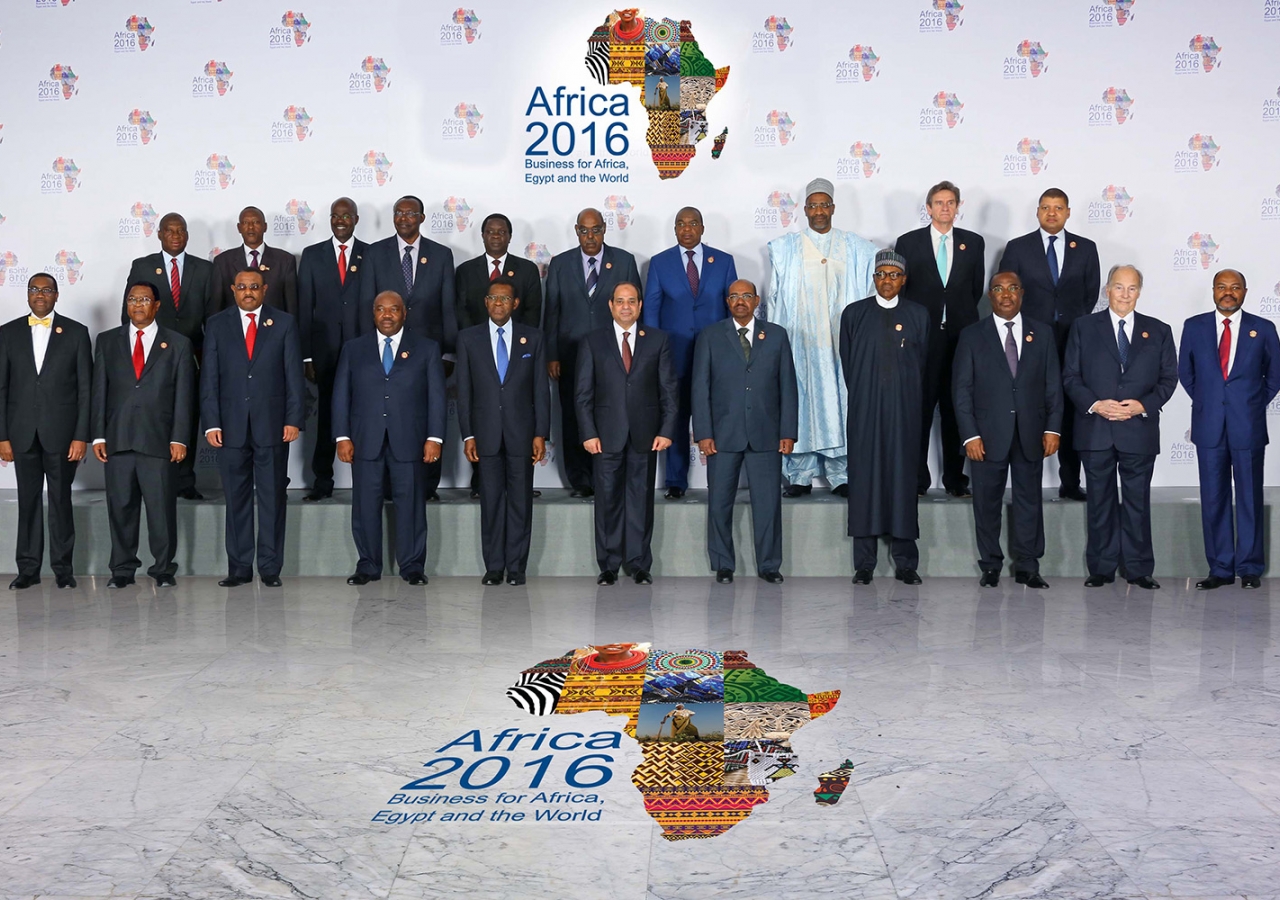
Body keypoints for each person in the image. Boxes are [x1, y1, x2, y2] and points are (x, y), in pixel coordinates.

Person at [1062, 265, 1178, 589]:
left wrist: (1144, 405)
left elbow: (1169, 378)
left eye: (1131, 288)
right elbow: (1070, 376)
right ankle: (1101, 568)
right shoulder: (1084, 328)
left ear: (1139, 292)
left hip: (1138, 430)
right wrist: (1096, 404)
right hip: (1096, 428)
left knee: (1137, 502)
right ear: (1107, 290)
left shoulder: (1159, 331)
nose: (1125, 295)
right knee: (1100, 501)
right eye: (1118, 287)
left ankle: (1139, 569)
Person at [767, 177, 877, 498]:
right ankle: (799, 475)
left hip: (841, 344)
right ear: (804, 210)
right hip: (800, 343)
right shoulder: (786, 248)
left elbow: (872, 292)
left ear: (832, 208)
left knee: (841, 400)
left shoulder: (856, 247)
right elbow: (775, 299)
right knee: (799, 401)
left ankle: (841, 473)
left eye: (824, 205)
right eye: (812, 205)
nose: (818, 211)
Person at [952, 272, 1062, 588]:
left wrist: (1053, 429)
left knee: (1029, 502)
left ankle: (1028, 566)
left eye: (1012, 288)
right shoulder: (972, 336)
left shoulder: (1042, 334)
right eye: (999, 289)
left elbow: (1053, 385)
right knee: (986, 503)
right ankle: (990, 565)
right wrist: (970, 435)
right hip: (985, 437)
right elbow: (961, 390)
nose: (1006, 294)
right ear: (990, 295)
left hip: (1031, 433)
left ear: (1022, 293)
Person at [333, 291, 445, 585]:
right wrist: (342, 436)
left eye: (393, 309)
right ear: (373, 313)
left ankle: (412, 566)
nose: (386, 315)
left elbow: (436, 397)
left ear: (404, 313)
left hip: (409, 439)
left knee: (411, 505)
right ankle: (368, 565)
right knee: (365, 505)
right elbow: (341, 395)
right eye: (380, 309)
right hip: (364, 439)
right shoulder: (353, 349)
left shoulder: (426, 348)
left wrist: (435, 438)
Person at [200, 268, 304, 588]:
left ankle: (270, 568)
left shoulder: (283, 323)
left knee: (272, 497)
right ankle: (240, 568)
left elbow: (293, 377)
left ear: (264, 289)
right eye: (242, 287)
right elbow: (210, 379)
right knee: (236, 498)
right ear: (233, 290)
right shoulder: (217, 325)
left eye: (254, 287)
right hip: (230, 427)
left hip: (272, 425)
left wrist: (293, 419)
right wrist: (212, 423)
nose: (248, 292)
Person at [1178, 269, 1280, 590]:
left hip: (1247, 426)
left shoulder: (1263, 329)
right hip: (1209, 427)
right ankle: (1220, 568)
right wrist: (1212, 401)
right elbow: (1186, 373)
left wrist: (1248, 403)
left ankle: (1249, 567)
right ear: (1213, 290)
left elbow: (1275, 377)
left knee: (1249, 497)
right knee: (1214, 498)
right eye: (1222, 287)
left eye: (1235, 288)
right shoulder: (1193, 327)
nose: (1228, 293)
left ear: (1245, 292)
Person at [691, 279, 797, 584]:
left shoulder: (776, 335)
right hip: (722, 435)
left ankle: (769, 565)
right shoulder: (710, 336)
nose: (740, 301)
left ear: (756, 301)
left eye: (746, 296)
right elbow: (700, 388)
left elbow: (788, 386)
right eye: (734, 296)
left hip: (767, 434)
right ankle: (723, 564)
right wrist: (703, 433)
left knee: (768, 505)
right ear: (727, 301)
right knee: (719, 503)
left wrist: (788, 431)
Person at [998, 189, 1100, 502]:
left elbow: (1090, 294)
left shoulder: (1085, 248)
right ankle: (1025, 482)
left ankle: (1070, 481)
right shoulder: (1018, 247)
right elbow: (1006, 290)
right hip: (1030, 340)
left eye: (1058, 208)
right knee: (1028, 404)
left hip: (1073, 340)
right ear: (1038, 211)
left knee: (1071, 409)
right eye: (1045, 207)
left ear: (1068, 212)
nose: (1051, 213)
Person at [92, 282, 194, 588]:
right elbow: (99, 391)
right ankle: (122, 570)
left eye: (145, 299)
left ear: (157, 305)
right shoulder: (107, 341)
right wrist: (98, 435)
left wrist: (179, 437)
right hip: (118, 439)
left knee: (161, 509)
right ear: (126, 304)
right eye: (132, 299)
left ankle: (163, 570)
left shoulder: (177, 343)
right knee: (121, 507)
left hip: (159, 440)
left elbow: (184, 396)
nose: (138, 304)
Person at [575, 282, 677, 585]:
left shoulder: (658, 340)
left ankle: (638, 563)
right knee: (606, 501)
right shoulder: (593, 341)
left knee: (641, 501)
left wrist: (667, 429)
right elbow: (583, 394)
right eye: (620, 301)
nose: (626, 307)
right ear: (610, 305)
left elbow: (668, 390)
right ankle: (608, 564)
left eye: (631, 301)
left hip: (646, 436)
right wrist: (588, 432)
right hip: (605, 436)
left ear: (640, 305)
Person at [839, 250, 929, 584]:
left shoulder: (919, 315)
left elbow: (923, 364)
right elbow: (849, 363)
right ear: (873, 278)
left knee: (903, 481)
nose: (887, 280)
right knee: (865, 482)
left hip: (904, 412)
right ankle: (865, 563)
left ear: (904, 279)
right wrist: (868, 394)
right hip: (864, 411)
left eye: (894, 275)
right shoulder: (854, 314)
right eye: (881, 274)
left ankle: (906, 562)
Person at [359, 195, 457, 501]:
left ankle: (428, 485)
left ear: (422, 218)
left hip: (428, 353)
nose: (404, 218)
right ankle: (388, 487)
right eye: (398, 213)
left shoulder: (441, 255)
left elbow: (448, 307)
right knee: (390, 415)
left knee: (428, 416)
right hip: (385, 352)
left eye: (410, 213)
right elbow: (366, 304)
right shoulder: (375, 253)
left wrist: (449, 351)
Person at [0, 273, 92, 589]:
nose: (40, 295)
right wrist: (2, 436)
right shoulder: (7, 333)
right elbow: (1, 388)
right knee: (28, 502)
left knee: (60, 501)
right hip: (21, 434)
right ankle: (28, 569)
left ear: (56, 295)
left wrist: (81, 436)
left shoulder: (77, 333)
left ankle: (63, 569)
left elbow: (85, 390)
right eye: (35, 290)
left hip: (63, 435)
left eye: (47, 290)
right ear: (28, 295)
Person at [894, 180, 986, 497]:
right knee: (918, 411)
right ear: (929, 208)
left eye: (950, 202)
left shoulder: (973, 243)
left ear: (958, 207)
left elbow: (975, 291)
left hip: (961, 340)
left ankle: (955, 480)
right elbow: (901, 293)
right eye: (939, 202)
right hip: (922, 340)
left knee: (956, 410)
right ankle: (917, 479)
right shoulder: (908, 243)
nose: (945, 207)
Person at [455, 278, 549, 586]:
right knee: (491, 502)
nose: (498, 304)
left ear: (515, 304)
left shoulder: (533, 339)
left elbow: (540, 390)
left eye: (505, 299)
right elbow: (464, 391)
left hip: (522, 434)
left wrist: (540, 434)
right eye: (493, 298)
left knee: (520, 501)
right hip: (485, 435)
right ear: (485, 302)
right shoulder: (468, 339)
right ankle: (494, 566)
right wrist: (468, 434)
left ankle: (517, 567)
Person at [545, 208, 642, 497]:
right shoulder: (561, 263)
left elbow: (636, 309)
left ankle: (606, 476)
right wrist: (551, 354)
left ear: (604, 229)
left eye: (596, 229)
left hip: (612, 354)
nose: (590, 236)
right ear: (576, 231)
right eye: (584, 230)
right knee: (573, 416)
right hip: (571, 354)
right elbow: (552, 312)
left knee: (608, 413)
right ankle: (580, 479)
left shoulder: (624, 261)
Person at [644, 206, 738, 499]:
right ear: (674, 229)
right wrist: (652, 355)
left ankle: (721, 480)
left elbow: (731, 309)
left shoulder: (723, 262)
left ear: (702, 228)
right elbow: (651, 311)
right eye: (681, 224)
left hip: (716, 355)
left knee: (717, 417)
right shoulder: (659, 264)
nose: (687, 229)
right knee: (675, 415)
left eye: (693, 223)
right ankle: (675, 481)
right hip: (674, 355)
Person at [121, 212, 215, 500]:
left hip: (193, 354)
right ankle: (151, 480)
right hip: (152, 356)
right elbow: (129, 314)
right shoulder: (143, 266)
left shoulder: (205, 269)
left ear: (187, 235)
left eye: (181, 230)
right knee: (154, 414)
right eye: (169, 230)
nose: (175, 235)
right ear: (159, 234)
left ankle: (185, 481)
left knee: (187, 413)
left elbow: (212, 317)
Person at [454, 212, 544, 499]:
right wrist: (479, 346)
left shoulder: (527, 269)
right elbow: (461, 313)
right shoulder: (466, 271)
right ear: (482, 235)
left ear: (509, 236)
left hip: (517, 354)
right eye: (490, 231)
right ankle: (481, 484)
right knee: (484, 426)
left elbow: (532, 314)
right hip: (480, 355)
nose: (496, 236)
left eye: (502, 231)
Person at [297, 197, 368, 501]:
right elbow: (304, 307)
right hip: (323, 352)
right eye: (335, 216)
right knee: (326, 416)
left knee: (367, 415)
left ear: (356, 219)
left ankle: (370, 481)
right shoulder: (313, 255)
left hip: (363, 351)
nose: (341, 221)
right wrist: (307, 355)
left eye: (346, 216)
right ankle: (322, 480)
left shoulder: (372, 253)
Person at [211, 206, 299, 317]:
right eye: (245, 223)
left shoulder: (285, 260)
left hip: (274, 329)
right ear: (239, 228)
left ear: (265, 227)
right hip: (235, 330)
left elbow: (292, 307)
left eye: (256, 222)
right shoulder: (223, 262)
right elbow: (216, 308)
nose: (251, 227)